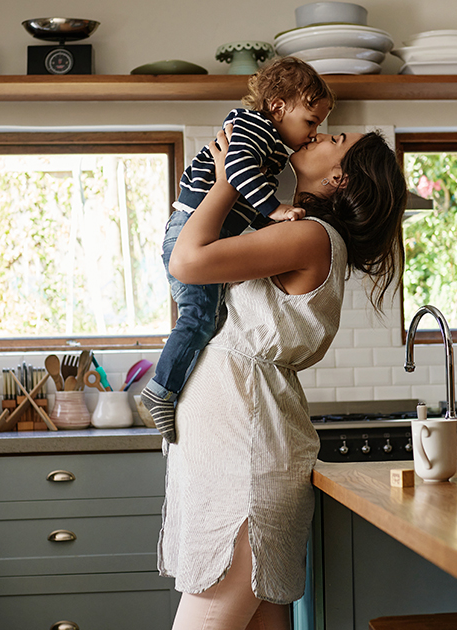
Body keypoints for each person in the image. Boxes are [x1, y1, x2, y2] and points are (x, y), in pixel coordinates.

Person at [158, 126, 407, 630]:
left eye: (335, 138)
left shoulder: (308, 236)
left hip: (243, 457)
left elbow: (186, 261)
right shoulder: (292, 227)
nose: (318, 133)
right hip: (236, 446)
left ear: (338, 177)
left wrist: (232, 173)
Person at [142, 57, 337, 443]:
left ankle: (168, 388)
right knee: (197, 318)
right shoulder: (255, 127)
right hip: (187, 227)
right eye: (311, 122)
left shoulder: (273, 142)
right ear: (279, 107)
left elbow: (242, 204)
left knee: (206, 318)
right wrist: (275, 209)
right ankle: (160, 391)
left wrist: (271, 220)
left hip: (204, 231)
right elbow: (237, 172)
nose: (315, 132)